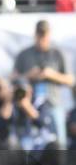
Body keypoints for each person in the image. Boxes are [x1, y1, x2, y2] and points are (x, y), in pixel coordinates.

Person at [14, 20, 73, 148]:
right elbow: (13, 78)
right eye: (39, 35)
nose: (41, 38)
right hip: (29, 106)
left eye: (44, 35)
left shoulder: (57, 54)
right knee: (29, 144)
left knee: (59, 144)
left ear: (49, 34)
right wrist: (29, 75)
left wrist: (52, 75)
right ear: (35, 34)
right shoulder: (24, 55)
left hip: (52, 104)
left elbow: (70, 80)